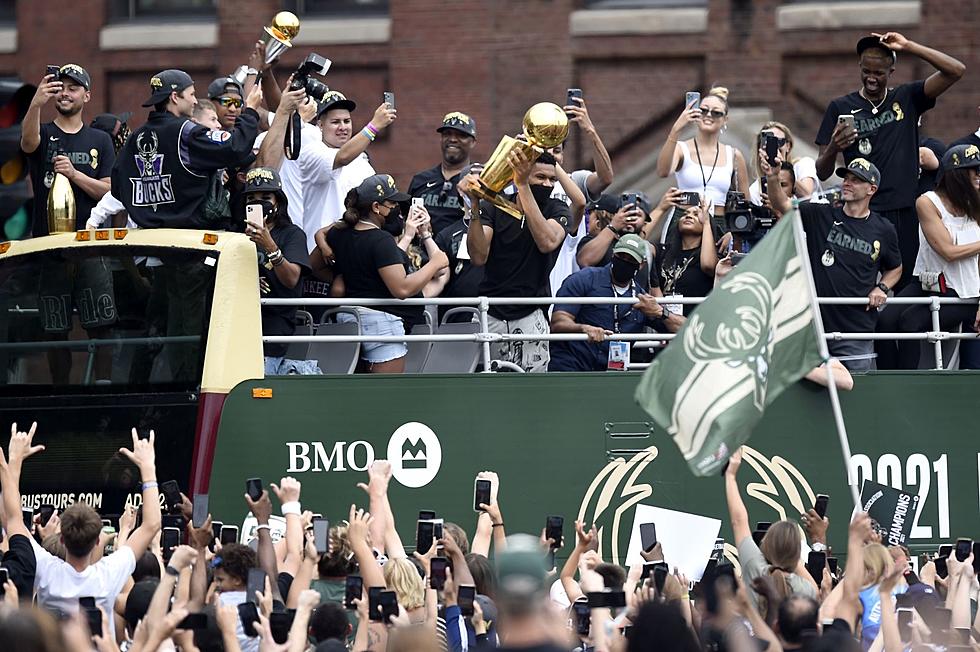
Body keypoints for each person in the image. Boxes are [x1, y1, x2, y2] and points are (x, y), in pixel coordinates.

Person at [814, 32, 965, 291]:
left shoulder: (907, 98)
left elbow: (956, 71)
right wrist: (834, 148)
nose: (872, 78)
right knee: (858, 286)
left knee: (906, 285)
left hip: (903, 211)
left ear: (891, 70)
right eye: (866, 71)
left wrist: (909, 46)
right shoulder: (840, 106)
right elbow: (822, 170)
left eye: (879, 72)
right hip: (862, 212)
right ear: (859, 67)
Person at [1, 423, 161, 621]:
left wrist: (14, 462)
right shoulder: (108, 575)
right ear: (96, 542)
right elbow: (152, 524)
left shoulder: (46, 569)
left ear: (61, 539)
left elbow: (12, 518)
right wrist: (148, 468)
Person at [769, 157, 902, 372]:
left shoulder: (883, 229)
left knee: (856, 395)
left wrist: (883, 287)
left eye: (856, 180)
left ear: (872, 189)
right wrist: (773, 176)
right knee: (807, 397)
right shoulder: (821, 214)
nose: (847, 183)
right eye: (846, 178)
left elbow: (895, 268)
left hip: (856, 332)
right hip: (813, 327)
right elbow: (781, 204)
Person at [459, 150, 570, 372]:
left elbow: (547, 242)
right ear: (522, 174)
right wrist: (474, 206)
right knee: (489, 388)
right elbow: (479, 257)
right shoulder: (494, 206)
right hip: (491, 311)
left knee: (532, 391)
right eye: (540, 177)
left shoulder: (557, 208)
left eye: (552, 180)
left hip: (532, 313)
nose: (547, 185)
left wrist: (524, 186)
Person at [325, 174, 448, 373]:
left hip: (349, 318)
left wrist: (340, 275)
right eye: (392, 204)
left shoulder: (340, 233)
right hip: (380, 324)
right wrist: (434, 264)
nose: (396, 210)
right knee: (386, 393)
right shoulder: (380, 239)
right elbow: (402, 288)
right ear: (376, 207)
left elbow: (317, 262)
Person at [111, 69, 261, 229]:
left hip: (146, 240)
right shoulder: (187, 132)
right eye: (191, 94)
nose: (196, 101)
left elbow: (117, 186)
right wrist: (250, 111)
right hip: (189, 241)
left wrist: (148, 210)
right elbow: (235, 147)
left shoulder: (136, 136)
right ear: (175, 97)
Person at [876, 144, 980, 369]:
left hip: (966, 291)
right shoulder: (927, 201)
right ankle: (888, 379)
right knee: (884, 321)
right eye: (975, 170)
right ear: (958, 175)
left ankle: (908, 384)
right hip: (927, 282)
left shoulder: (978, 204)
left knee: (910, 323)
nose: (979, 176)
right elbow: (948, 252)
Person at [266, 90, 394, 253]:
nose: (343, 127)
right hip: (321, 253)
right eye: (335, 122)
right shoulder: (312, 152)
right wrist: (374, 126)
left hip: (356, 253)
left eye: (346, 121)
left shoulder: (362, 160)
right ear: (320, 125)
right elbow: (342, 157)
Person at [549, 234, 684, 372]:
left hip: (608, 374)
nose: (625, 262)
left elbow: (685, 328)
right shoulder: (584, 279)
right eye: (621, 256)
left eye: (631, 260)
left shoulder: (642, 298)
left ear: (641, 264)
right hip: (570, 366)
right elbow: (558, 322)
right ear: (613, 254)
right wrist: (584, 329)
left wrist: (660, 312)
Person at [21, 64, 115, 237]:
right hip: (46, 243)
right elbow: (27, 142)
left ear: (87, 96)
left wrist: (74, 174)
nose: (65, 93)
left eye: (72, 89)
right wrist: (36, 104)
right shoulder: (42, 132)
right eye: (60, 88)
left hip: (89, 244)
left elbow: (109, 192)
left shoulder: (101, 139)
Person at [724, 447, 819, 617]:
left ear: (765, 544)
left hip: (758, 643)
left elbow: (739, 521)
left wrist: (731, 476)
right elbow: (815, 591)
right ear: (797, 554)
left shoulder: (755, 567)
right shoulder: (805, 589)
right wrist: (792, 557)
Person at [242, 167, 316, 375]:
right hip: (241, 323)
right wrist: (246, 280)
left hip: (274, 327)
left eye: (266, 197)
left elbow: (292, 279)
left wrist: (270, 246)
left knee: (257, 384)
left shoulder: (292, 235)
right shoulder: (237, 235)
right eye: (251, 198)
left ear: (278, 202)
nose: (258, 203)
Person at [655, 86, 750, 236]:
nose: (709, 115)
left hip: (718, 222)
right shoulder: (681, 148)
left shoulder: (733, 155)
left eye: (716, 113)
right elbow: (663, 171)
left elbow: (746, 203)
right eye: (703, 110)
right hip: (685, 218)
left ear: (725, 119)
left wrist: (733, 232)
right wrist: (676, 129)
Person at [547, 94, 615, 294]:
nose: (551, 154)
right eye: (544, 148)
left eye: (557, 150)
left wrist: (590, 130)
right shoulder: (518, 186)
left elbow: (605, 178)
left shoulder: (573, 181)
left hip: (567, 280)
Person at [408, 112, 478, 236]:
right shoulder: (420, 180)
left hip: (461, 252)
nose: (452, 139)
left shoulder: (477, 182)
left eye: (461, 135)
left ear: (472, 142)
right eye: (447, 134)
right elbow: (404, 219)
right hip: (422, 252)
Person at [654, 202, 717, 317]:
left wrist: (706, 222)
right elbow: (639, 245)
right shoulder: (664, 251)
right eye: (685, 214)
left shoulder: (708, 256)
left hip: (692, 324)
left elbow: (708, 265)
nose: (688, 216)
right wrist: (660, 208)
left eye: (696, 214)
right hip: (662, 323)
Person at [748, 121, 821, 204]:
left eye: (779, 141)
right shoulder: (755, 189)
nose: (775, 146)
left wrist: (783, 167)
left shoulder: (804, 164)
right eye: (769, 143)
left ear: (788, 146)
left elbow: (807, 196)